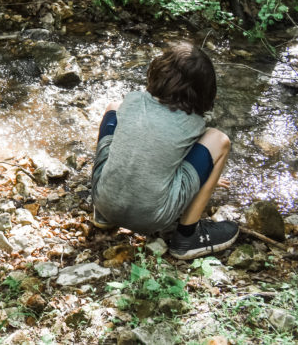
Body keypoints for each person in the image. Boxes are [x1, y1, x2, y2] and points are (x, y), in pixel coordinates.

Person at [91, 43, 239, 259]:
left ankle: (104, 216)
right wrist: (207, 178)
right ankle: (187, 236)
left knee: (113, 107)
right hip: (153, 218)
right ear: (204, 92)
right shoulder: (194, 124)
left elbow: (150, 149)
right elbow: (170, 156)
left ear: (157, 72)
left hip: (102, 199)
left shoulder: (131, 100)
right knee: (220, 140)